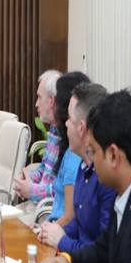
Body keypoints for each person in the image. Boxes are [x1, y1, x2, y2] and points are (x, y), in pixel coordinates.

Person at [39, 89, 131, 263]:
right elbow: (103, 251)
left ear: (113, 155)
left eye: (94, 151)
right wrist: (67, 260)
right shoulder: (126, 194)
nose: (91, 160)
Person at [39, 83, 115, 251]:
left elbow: (102, 253)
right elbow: (78, 225)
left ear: (81, 128)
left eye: (69, 119)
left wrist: (62, 241)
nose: (65, 123)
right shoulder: (84, 166)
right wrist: (53, 232)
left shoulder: (106, 178)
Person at [43, 72, 89, 225]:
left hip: (59, 233)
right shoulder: (69, 149)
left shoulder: (75, 156)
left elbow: (70, 217)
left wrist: (46, 230)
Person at [14, 69, 62, 204]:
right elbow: (44, 168)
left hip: (47, 211)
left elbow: (61, 192)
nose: (36, 104)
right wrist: (27, 179)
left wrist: (31, 190)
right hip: (38, 206)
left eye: (39, 97)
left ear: (51, 101)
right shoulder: (54, 129)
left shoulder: (68, 138)